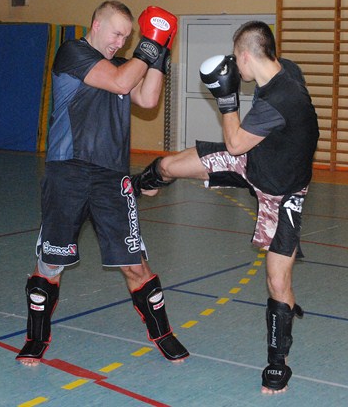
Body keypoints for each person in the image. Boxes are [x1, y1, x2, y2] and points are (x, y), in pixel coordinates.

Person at [132, 20, 319, 393]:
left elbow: (234, 143)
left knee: (277, 280)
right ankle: (142, 185)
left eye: (236, 57)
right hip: (254, 162)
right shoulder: (286, 69)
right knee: (169, 165)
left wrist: (226, 96)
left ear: (246, 55)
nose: (234, 64)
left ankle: (278, 362)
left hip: (282, 193)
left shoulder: (282, 98)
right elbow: (244, 148)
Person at [17, 0, 189, 366]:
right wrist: (149, 44)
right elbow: (121, 81)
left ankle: (164, 334)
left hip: (112, 177)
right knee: (51, 262)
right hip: (68, 171)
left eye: (127, 38)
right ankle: (36, 338)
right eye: (117, 34)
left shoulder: (120, 65)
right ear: (96, 24)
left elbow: (147, 98)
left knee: (135, 264)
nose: (120, 43)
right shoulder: (72, 53)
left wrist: (160, 52)